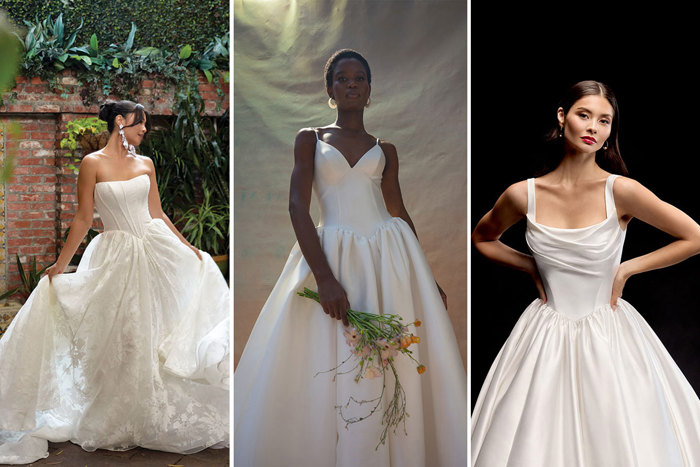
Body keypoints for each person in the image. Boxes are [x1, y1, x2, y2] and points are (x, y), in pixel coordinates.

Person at [234, 49, 467, 466]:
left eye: (359, 78)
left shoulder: (386, 149)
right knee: (333, 357)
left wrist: (425, 277)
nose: (352, 84)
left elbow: (398, 210)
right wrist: (323, 277)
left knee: (388, 358)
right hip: (334, 255)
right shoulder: (311, 139)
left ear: (370, 89)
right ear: (330, 89)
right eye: (342, 78)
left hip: (388, 256)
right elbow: (296, 207)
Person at [471, 80, 700, 466]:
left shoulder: (621, 191)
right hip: (543, 337)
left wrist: (627, 269)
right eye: (584, 115)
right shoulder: (522, 194)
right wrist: (532, 266)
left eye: (605, 120)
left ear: (611, 132)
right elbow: (482, 238)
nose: (594, 127)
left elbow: (694, 236)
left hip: (609, 336)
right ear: (562, 118)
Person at [0, 100, 230, 464]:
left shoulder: (146, 163)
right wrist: (62, 264)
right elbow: (83, 217)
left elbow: (157, 212)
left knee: (154, 330)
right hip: (115, 255)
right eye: (141, 124)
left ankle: (150, 409)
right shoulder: (92, 164)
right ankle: (118, 411)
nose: (145, 131)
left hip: (154, 251)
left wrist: (189, 248)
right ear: (120, 122)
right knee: (120, 333)